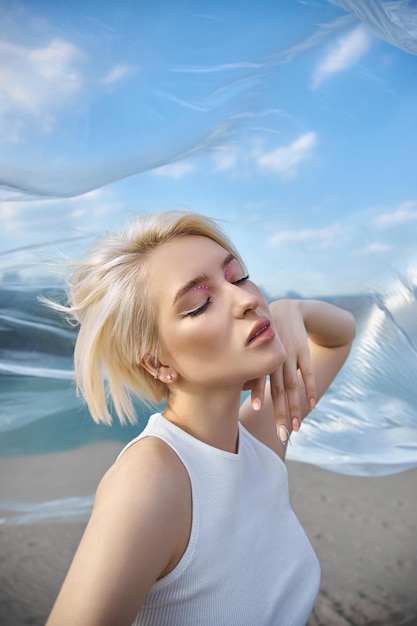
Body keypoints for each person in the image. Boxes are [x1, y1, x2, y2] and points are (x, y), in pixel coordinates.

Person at [46, 210, 356, 626]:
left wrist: (291, 309)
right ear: (157, 362)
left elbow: (339, 338)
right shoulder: (152, 478)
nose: (247, 299)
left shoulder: (257, 443)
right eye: (200, 303)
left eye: (238, 276)